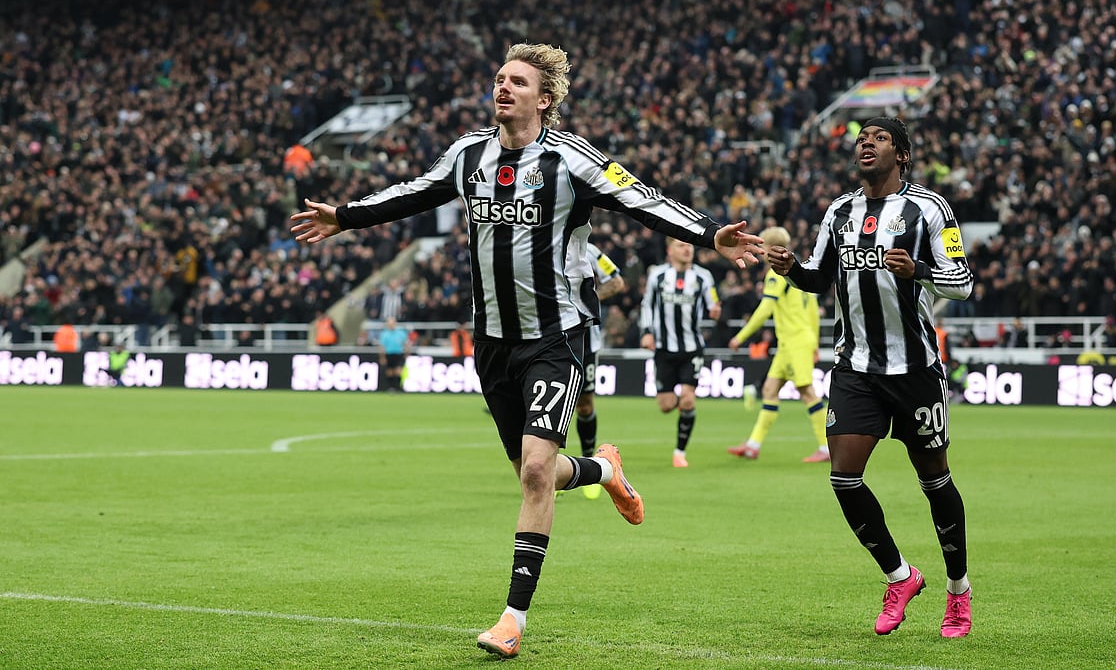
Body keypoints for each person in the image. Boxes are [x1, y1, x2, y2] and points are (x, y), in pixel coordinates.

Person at [288, 43, 763, 660]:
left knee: (537, 471)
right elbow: (414, 192)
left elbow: (643, 198)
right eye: (499, 78)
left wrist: (709, 233)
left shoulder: (572, 159)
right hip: (491, 342)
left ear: (545, 98)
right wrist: (345, 217)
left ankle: (512, 618)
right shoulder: (469, 154)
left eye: (517, 81)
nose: (503, 87)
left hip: (555, 336)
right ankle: (604, 471)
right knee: (533, 471)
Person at [767, 117, 975, 638]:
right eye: (861, 138)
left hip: (915, 370)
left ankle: (958, 590)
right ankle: (900, 576)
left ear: (901, 154)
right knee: (843, 476)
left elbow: (962, 283)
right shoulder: (839, 211)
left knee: (935, 481)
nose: (866, 143)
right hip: (856, 367)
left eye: (879, 138)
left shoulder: (930, 208)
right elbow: (818, 277)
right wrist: (790, 266)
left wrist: (919, 270)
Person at [727, 226, 830, 463]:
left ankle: (826, 447)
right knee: (770, 390)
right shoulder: (800, 270)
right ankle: (753, 445)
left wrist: (740, 337)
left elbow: (766, 308)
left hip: (795, 342)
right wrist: (814, 341)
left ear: (769, 247)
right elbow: (813, 309)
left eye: (760, 246)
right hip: (794, 342)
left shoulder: (776, 273)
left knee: (807, 392)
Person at [641, 236, 721, 468]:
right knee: (666, 405)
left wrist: (715, 310)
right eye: (681, 245)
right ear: (670, 250)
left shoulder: (703, 277)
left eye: (689, 245)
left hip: (692, 348)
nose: (687, 249)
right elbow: (647, 305)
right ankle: (684, 408)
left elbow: (713, 302)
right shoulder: (657, 275)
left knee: (687, 398)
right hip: (664, 349)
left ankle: (679, 452)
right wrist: (646, 332)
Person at [570, 243, 627, 499]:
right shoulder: (538, 241)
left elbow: (616, 282)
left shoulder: (590, 252)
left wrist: (587, 298)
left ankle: (588, 466)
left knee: (584, 405)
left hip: (585, 342)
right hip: (548, 339)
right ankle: (550, 470)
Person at [377, 317, 410, 392]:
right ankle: (391, 387)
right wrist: (382, 357)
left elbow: (405, 344)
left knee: (398, 371)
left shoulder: (401, 333)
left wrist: (407, 353)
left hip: (398, 354)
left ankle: (398, 387)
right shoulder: (385, 334)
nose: (391, 325)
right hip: (389, 354)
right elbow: (382, 346)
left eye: (392, 323)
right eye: (389, 323)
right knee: (389, 371)